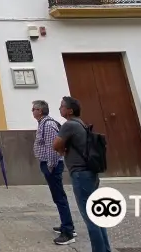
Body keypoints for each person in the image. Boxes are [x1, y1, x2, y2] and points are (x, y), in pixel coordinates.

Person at [54, 97, 111, 252]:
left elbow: (56, 144)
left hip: (80, 174)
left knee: (89, 217)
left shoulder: (69, 125)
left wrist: (61, 150)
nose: (60, 109)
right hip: (90, 173)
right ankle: (105, 248)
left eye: (62, 107)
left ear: (70, 110)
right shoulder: (81, 123)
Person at [33, 99, 76, 245]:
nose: (32, 111)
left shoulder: (48, 124)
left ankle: (68, 231)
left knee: (59, 198)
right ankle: (66, 224)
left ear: (40, 111)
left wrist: (50, 165)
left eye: (34, 109)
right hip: (48, 164)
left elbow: (53, 147)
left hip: (51, 165)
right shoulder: (43, 123)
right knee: (58, 197)